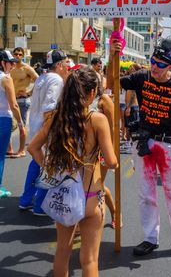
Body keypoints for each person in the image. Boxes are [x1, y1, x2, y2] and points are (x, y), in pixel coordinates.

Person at [107, 38, 171, 262]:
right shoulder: (141, 77)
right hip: (146, 145)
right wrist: (112, 55)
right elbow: (112, 83)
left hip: (169, 145)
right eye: (152, 61)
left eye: (160, 64)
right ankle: (150, 238)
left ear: (170, 66)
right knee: (146, 195)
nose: (154, 67)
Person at [27, 67, 118, 277]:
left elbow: (33, 147)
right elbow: (112, 161)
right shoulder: (97, 120)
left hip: (63, 193)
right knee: (89, 260)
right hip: (90, 196)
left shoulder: (56, 117)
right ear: (92, 93)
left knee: (63, 251)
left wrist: (49, 169)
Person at [19, 49, 69, 216]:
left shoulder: (42, 77)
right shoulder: (56, 80)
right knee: (49, 167)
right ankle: (40, 205)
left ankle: (26, 200)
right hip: (45, 130)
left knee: (35, 165)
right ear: (60, 65)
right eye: (66, 63)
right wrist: (50, 135)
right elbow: (49, 110)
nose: (67, 66)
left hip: (35, 127)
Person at [89, 77, 116, 228]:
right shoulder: (79, 99)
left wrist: (109, 151)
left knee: (98, 185)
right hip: (85, 151)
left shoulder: (104, 99)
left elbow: (112, 127)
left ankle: (114, 213)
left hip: (101, 149)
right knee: (85, 186)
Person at [0, 50, 26, 198]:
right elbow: (14, 105)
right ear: (3, 63)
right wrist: (21, 124)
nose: (12, 66)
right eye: (10, 63)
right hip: (3, 118)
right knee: (0, 156)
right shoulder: (5, 79)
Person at [8, 47, 38, 157]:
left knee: (22, 125)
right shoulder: (10, 68)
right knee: (9, 124)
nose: (18, 56)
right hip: (11, 100)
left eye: (20, 54)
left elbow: (39, 82)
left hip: (22, 101)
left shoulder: (27, 69)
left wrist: (29, 93)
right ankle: (10, 149)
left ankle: (21, 150)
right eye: (16, 54)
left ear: (23, 56)